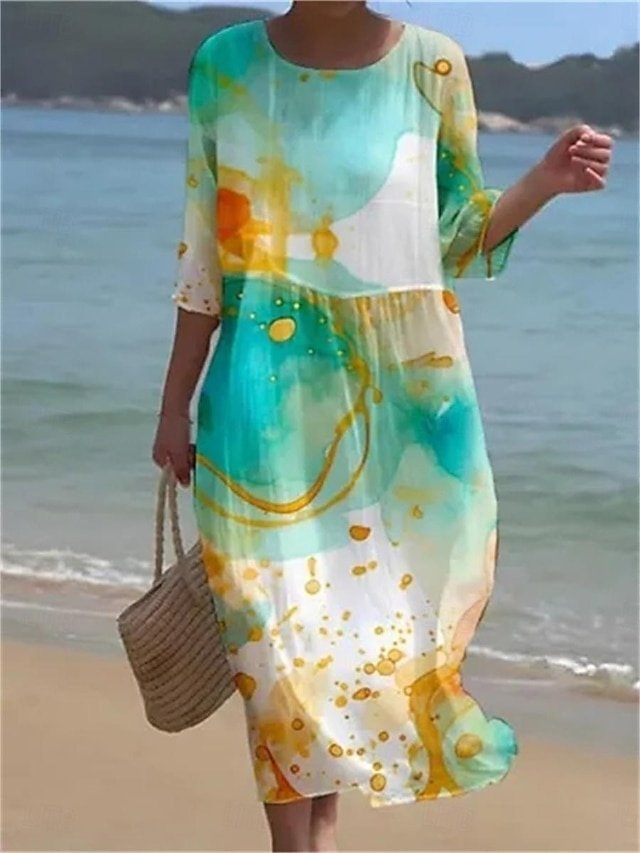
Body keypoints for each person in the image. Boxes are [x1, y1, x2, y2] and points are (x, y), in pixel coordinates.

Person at [152, 2, 613, 850]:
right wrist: (174, 401)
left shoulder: (432, 65)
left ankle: (317, 836)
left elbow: (456, 240)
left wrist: (542, 184)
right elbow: (204, 251)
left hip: (409, 410)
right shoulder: (226, 64)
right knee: (274, 646)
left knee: (352, 649)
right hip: (260, 406)